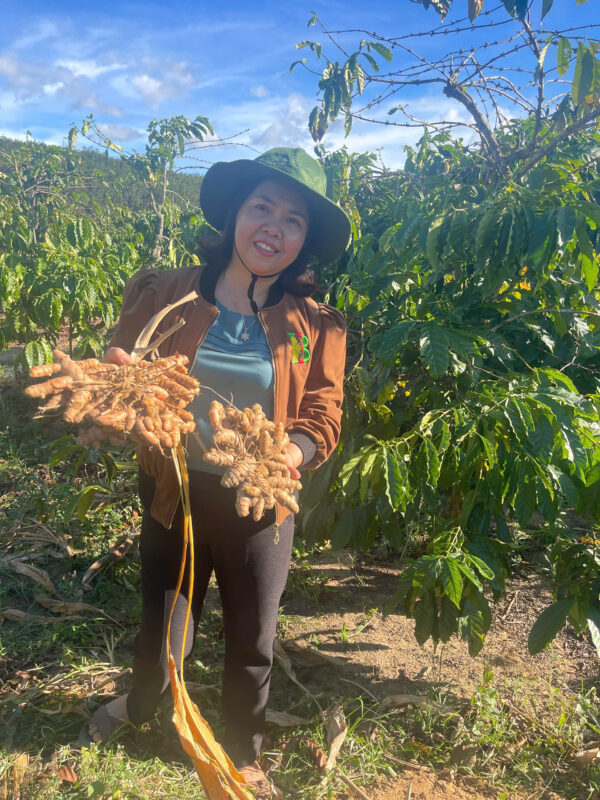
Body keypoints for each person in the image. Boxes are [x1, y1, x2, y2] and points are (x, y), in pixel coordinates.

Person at [85, 147, 351, 798]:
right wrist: (122, 386)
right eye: (261, 207)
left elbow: (322, 411)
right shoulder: (169, 292)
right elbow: (124, 365)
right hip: (174, 487)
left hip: (257, 499)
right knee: (165, 613)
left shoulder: (312, 324)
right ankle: (144, 704)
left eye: (293, 220)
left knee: (253, 631)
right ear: (235, 215)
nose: (273, 227)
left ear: (304, 240)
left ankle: (243, 748)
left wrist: (289, 453)